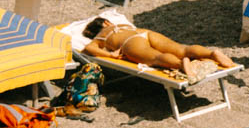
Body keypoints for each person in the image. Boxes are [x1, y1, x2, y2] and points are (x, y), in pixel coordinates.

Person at [81, 17, 235, 80]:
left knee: (155, 58)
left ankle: (180, 64)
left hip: (130, 41)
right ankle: (212, 53)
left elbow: (89, 48)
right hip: (144, 32)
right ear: (107, 22)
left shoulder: (101, 36)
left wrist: (111, 56)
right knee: (182, 48)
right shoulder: (122, 25)